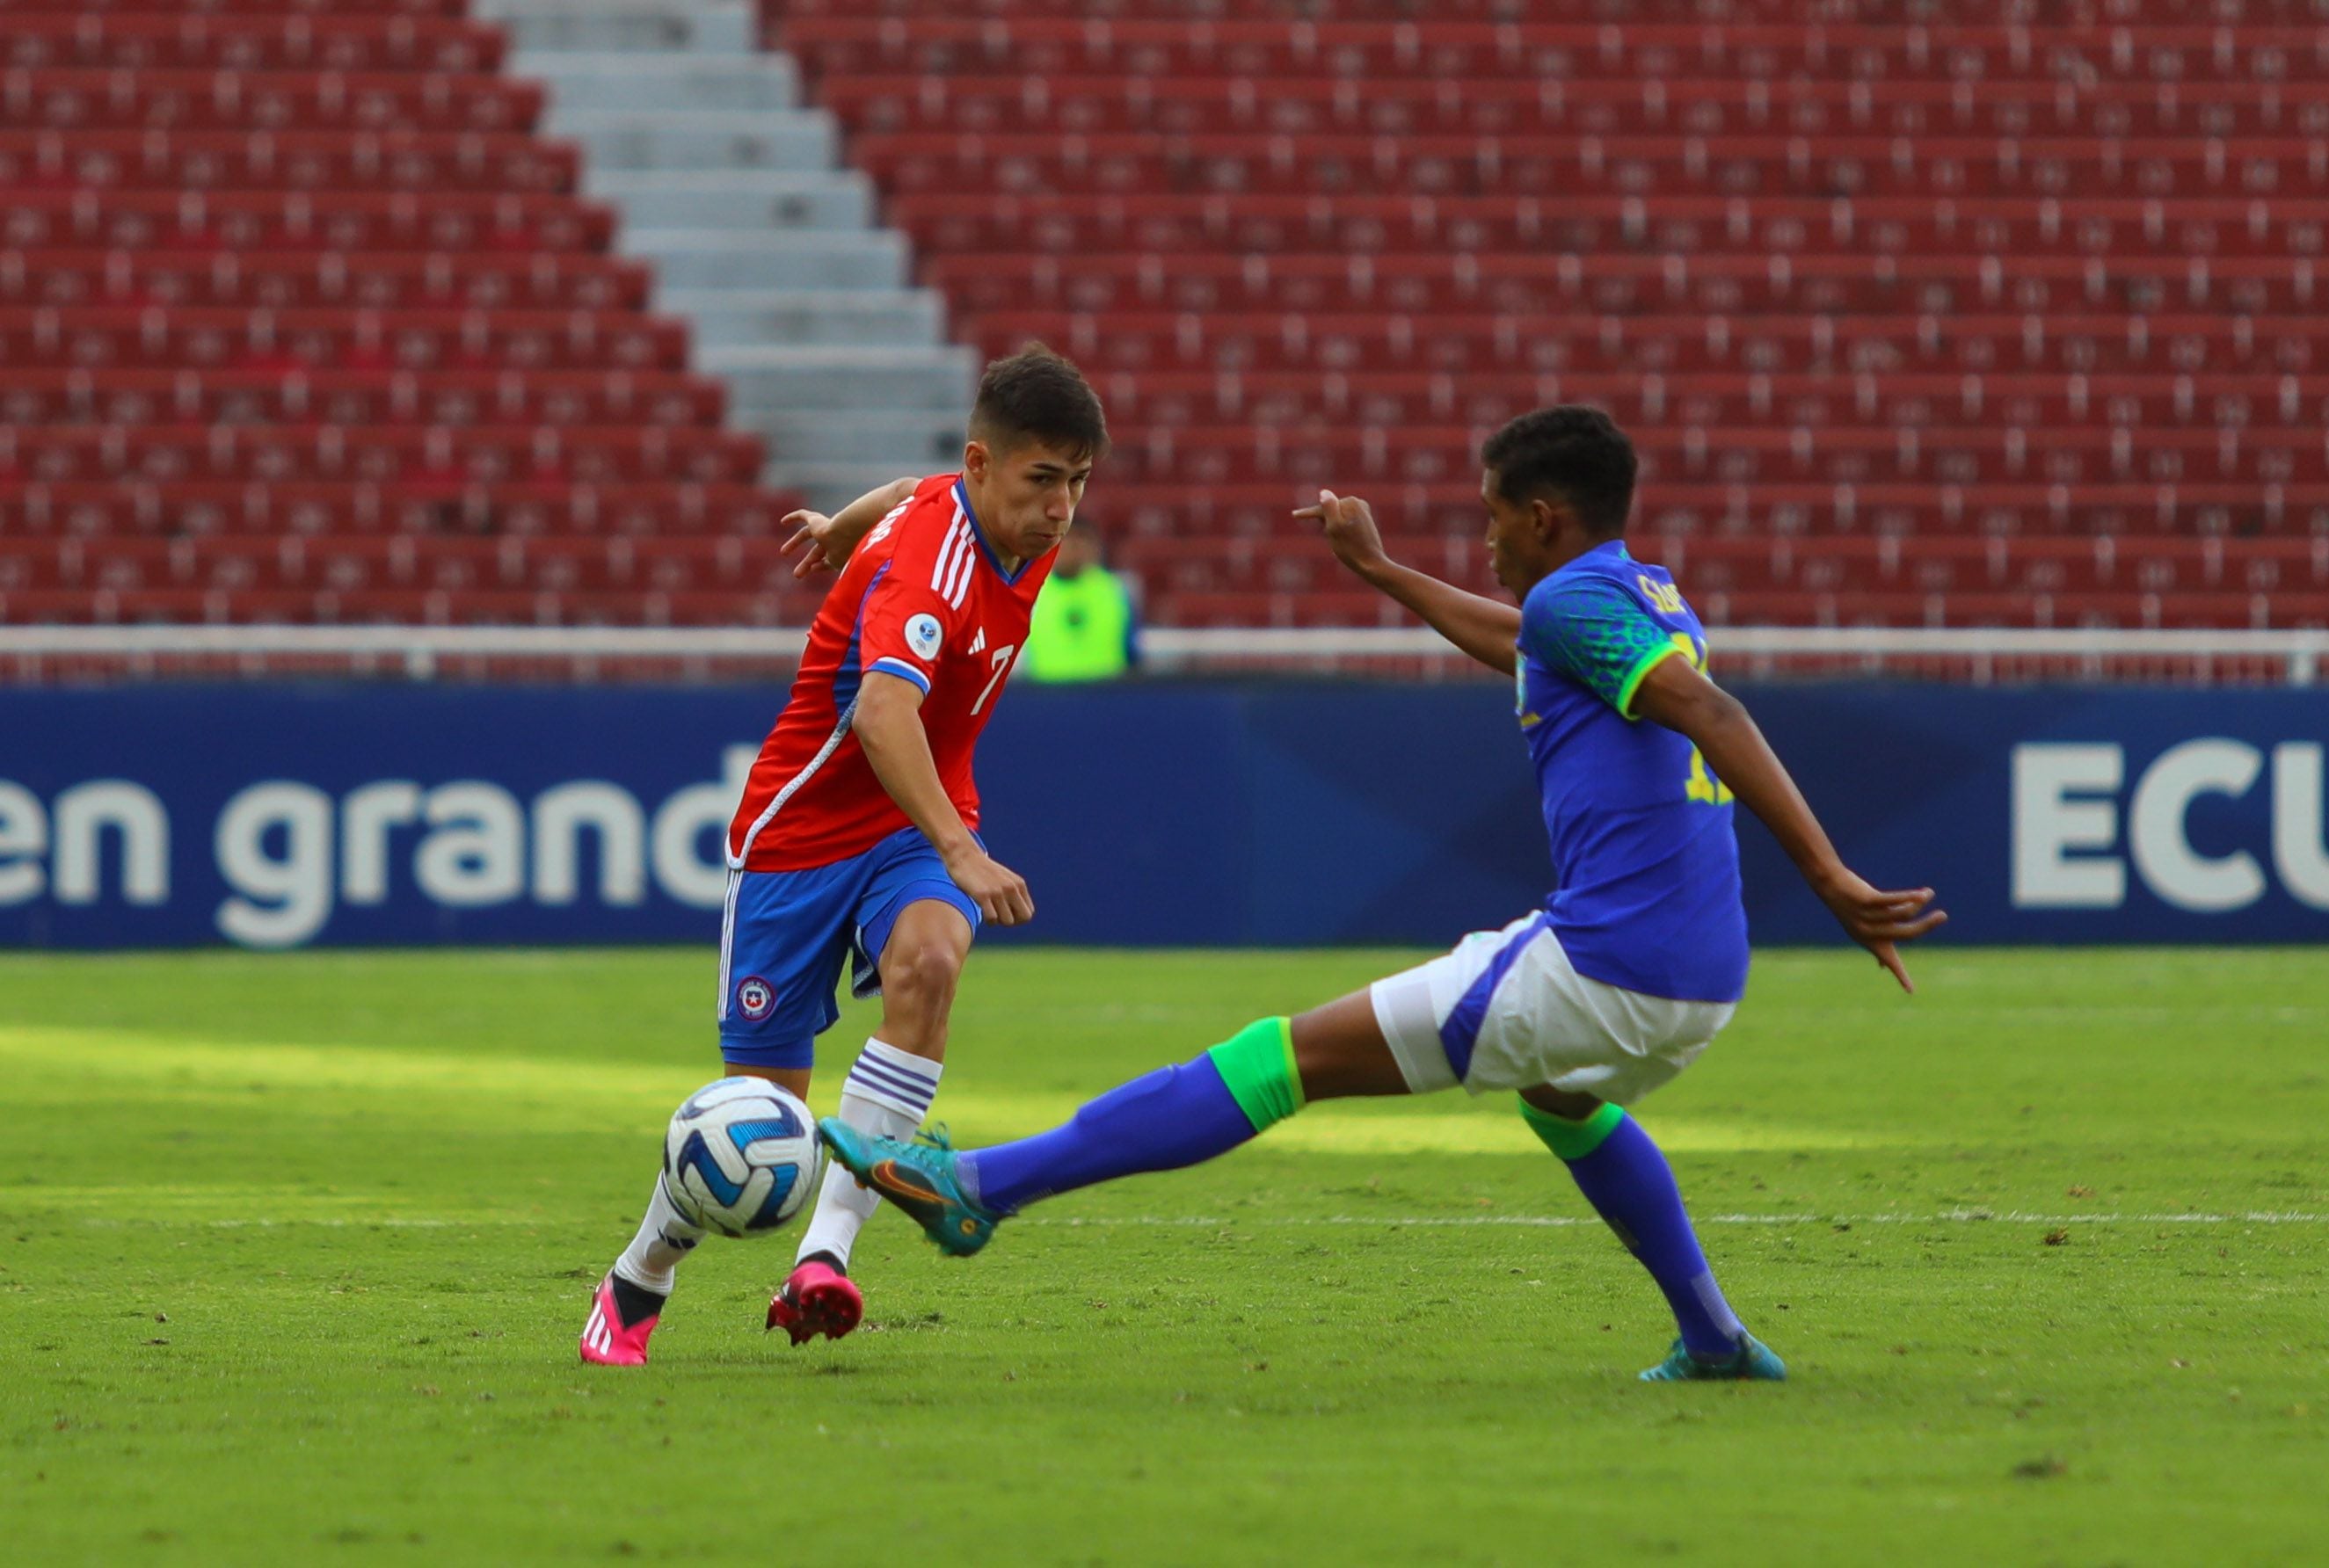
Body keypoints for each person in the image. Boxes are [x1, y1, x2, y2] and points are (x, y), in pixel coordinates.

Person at [819, 404, 1947, 1382]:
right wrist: (1381, 569)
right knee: (1559, 1099)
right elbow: (1521, 638)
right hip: (1698, 979)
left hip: (1606, 962)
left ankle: (980, 1186)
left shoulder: (1577, 606)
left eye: (1496, 512)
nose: (1488, 532)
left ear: (1544, 515)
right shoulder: (1640, 594)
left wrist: (1828, 874)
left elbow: (1714, 714)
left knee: (1278, 1057)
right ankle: (1712, 1336)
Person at [580, 345, 1109, 1366]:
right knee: (762, 1116)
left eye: (1077, 482)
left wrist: (841, 528)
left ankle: (823, 1257)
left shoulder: (1008, 522)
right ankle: (642, 1270)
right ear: (987, 463)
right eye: (1044, 480)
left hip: (914, 818)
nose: (1061, 508)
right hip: (798, 833)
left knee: (932, 960)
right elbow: (879, 710)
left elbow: (917, 488)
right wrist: (964, 851)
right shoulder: (936, 570)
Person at [1021, 519, 1139, 681]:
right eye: (1067, 540)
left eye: (1081, 540)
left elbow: (1132, 654)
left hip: (1107, 697)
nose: (1073, 548)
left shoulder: (1115, 591)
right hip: (1047, 698)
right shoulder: (1030, 592)